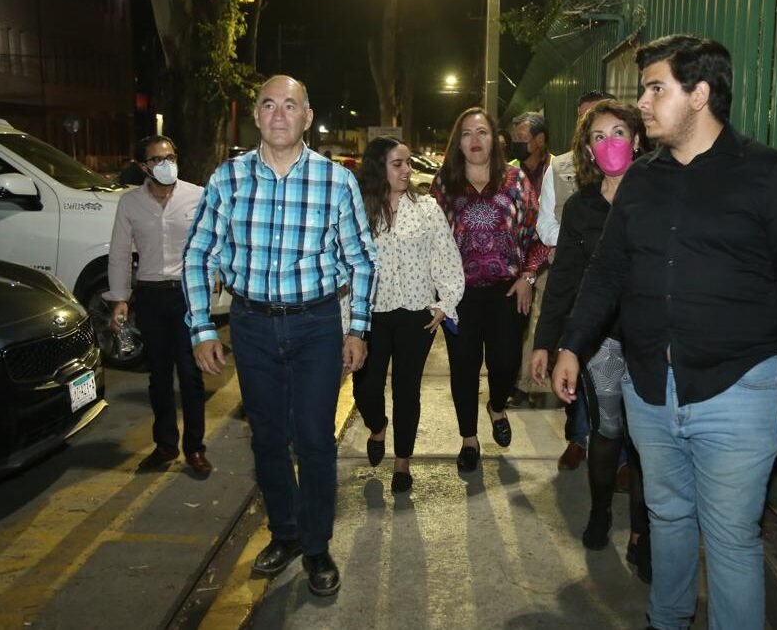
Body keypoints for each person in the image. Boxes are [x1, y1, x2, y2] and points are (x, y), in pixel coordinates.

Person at [551, 36, 777, 630]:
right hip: (650, 389)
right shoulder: (641, 181)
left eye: (656, 88)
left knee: (730, 536)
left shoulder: (766, 174)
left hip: (737, 388)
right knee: (668, 517)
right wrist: (572, 344)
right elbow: (606, 272)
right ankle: (667, 618)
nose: (643, 103)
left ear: (700, 94)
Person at [183, 75, 377, 597]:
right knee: (267, 437)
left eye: (290, 105)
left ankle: (316, 546)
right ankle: (285, 534)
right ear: (256, 116)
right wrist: (201, 326)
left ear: (307, 117)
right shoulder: (228, 179)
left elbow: (362, 260)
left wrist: (358, 328)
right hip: (251, 325)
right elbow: (198, 254)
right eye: (268, 104)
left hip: (316, 325)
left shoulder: (336, 181)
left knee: (314, 439)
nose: (278, 114)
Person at [531, 98, 651, 582]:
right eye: (598, 137)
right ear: (586, 149)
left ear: (637, 140)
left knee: (647, 442)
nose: (609, 144)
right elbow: (564, 280)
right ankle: (600, 511)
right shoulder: (580, 208)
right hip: (601, 340)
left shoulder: (659, 198)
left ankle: (642, 532)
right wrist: (547, 343)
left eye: (619, 133)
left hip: (652, 341)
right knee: (606, 430)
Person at [429, 107, 547, 472]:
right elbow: (430, 241)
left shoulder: (515, 181)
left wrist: (528, 277)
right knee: (463, 368)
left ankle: (496, 407)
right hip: (459, 295)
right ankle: (468, 439)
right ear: (457, 142)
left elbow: (538, 236)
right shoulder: (444, 184)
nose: (474, 140)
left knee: (505, 364)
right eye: (466, 133)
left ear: (494, 139)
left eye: (481, 132)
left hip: (506, 293)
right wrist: (438, 294)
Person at [352, 136, 464, 494]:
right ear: (379, 168)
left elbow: (447, 257)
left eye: (408, 163)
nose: (407, 170)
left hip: (416, 314)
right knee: (366, 388)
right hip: (370, 314)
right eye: (397, 164)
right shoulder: (358, 209)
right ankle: (377, 427)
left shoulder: (427, 208)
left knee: (407, 389)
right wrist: (346, 318)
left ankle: (402, 462)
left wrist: (445, 302)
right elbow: (347, 264)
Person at [106, 135, 210, 476]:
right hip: (150, 296)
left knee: (191, 375)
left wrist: (212, 280)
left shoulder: (197, 196)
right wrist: (120, 298)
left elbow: (211, 242)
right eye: (157, 159)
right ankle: (165, 445)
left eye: (170, 157)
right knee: (159, 376)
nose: (166, 164)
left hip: (187, 295)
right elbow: (120, 253)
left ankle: (195, 448)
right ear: (143, 166)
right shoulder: (130, 203)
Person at [534, 89, 615, 471]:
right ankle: (578, 438)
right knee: (577, 370)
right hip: (579, 290)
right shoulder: (563, 172)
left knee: (615, 395)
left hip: (627, 317)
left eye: (613, 129)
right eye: (591, 128)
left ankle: (621, 462)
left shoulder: (647, 189)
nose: (602, 137)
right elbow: (546, 225)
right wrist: (575, 238)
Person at [506, 112, 552, 407]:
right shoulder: (509, 171)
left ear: (540, 140)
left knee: (538, 318)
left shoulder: (559, 169)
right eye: (515, 139)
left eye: (522, 138)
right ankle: (512, 378)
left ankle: (526, 385)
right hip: (516, 259)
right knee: (516, 322)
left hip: (548, 255)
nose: (517, 143)